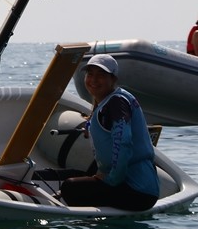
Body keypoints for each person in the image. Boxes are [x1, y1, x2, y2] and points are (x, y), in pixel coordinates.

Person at [59, 54, 160, 212]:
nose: (93, 80)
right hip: (137, 187)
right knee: (75, 175)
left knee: (70, 187)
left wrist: (112, 180)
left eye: (101, 75)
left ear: (113, 79)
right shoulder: (114, 99)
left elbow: (124, 142)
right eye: (90, 74)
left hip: (137, 192)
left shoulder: (117, 103)